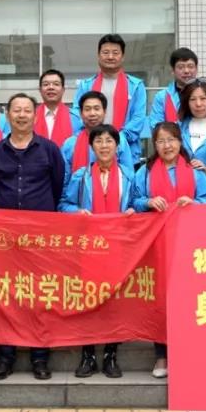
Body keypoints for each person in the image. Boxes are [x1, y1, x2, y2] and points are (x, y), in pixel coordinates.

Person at [0, 93, 65, 382]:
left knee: (39, 294)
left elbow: (57, 186)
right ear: (7, 115)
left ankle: (39, 356)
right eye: (16, 110)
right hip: (6, 237)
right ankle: (5, 357)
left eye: (27, 110)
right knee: (7, 295)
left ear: (35, 115)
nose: (21, 115)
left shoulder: (49, 150)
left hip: (40, 236)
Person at [130, 121, 206, 380]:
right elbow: (133, 201)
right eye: (161, 141)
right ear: (154, 145)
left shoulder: (195, 172)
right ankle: (162, 355)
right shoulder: (144, 173)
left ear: (180, 142)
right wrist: (148, 201)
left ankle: (189, 354)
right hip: (156, 244)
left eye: (171, 140)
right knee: (161, 301)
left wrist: (194, 202)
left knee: (189, 299)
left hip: (189, 245)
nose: (167, 145)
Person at [58, 123, 133, 379]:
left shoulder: (128, 175)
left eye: (109, 141)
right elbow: (64, 204)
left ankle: (111, 354)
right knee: (87, 299)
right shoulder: (80, 177)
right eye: (99, 141)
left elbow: (138, 201)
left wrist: (135, 208)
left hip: (119, 247)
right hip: (87, 248)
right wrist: (76, 211)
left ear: (117, 146)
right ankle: (88, 354)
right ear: (92, 147)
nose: (104, 146)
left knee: (115, 301)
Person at [71, 34, 148, 162]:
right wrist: (94, 139)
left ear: (122, 56)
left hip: (126, 151)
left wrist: (116, 139)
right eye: (106, 52)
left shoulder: (135, 86)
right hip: (91, 151)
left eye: (115, 53)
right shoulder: (86, 86)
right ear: (98, 56)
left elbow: (138, 118)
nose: (110, 57)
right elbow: (77, 115)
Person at [60, 91, 135, 178]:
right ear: (81, 113)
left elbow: (128, 176)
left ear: (104, 111)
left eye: (96, 109)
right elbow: (65, 179)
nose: (92, 113)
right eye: (87, 109)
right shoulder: (70, 144)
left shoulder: (118, 139)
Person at [148, 47, 198, 132]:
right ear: (172, 70)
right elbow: (156, 127)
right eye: (181, 67)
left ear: (196, 69)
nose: (186, 71)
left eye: (190, 66)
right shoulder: (162, 97)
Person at [33, 69, 73, 147]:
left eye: (56, 84)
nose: (51, 87)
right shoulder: (31, 117)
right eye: (46, 84)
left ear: (63, 90)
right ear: (40, 90)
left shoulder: (76, 118)